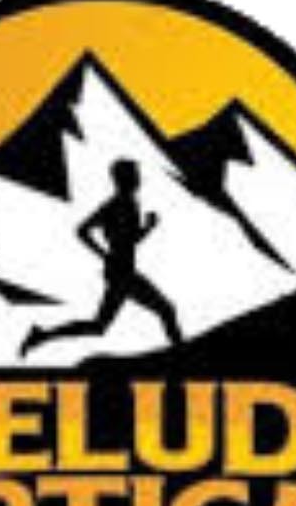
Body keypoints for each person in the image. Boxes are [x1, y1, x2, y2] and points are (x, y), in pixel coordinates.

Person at [23, 152, 182, 358]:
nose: (139, 179)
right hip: (121, 273)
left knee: (99, 326)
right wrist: (105, 254)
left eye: (137, 174)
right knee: (166, 310)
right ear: (125, 179)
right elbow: (83, 230)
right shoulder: (117, 205)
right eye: (135, 174)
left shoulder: (127, 203)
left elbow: (128, 241)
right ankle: (182, 355)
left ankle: (41, 335)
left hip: (122, 270)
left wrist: (146, 228)